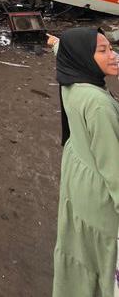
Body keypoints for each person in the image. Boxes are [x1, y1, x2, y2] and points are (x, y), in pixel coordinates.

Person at [51, 27, 119, 297]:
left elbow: (64, 49)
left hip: (79, 185)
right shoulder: (99, 105)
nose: (113, 55)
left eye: (111, 48)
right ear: (82, 57)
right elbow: (115, 170)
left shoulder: (71, 82)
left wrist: (56, 43)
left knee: (82, 254)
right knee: (103, 261)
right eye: (103, 51)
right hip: (101, 197)